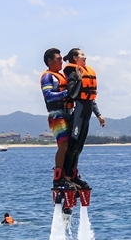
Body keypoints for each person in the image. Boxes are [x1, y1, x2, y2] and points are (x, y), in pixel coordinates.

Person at [61, 48, 106, 189]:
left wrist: (98, 114)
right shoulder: (73, 73)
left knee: (79, 148)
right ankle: (66, 177)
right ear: (75, 58)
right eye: (82, 55)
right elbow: (73, 94)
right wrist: (79, 80)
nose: (85, 57)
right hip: (78, 115)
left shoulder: (87, 72)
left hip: (87, 115)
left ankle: (73, 176)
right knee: (73, 146)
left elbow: (90, 98)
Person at [40, 48, 75, 189]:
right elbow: (48, 95)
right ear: (50, 61)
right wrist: (67, 92)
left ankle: (70, 173)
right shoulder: (48, 77)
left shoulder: (62, 76)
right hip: (57, 114)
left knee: (72, 146)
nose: (61, 61)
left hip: (69, 112)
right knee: (64, 144)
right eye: (58, 59)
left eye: (61, 59)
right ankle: (58, 176)